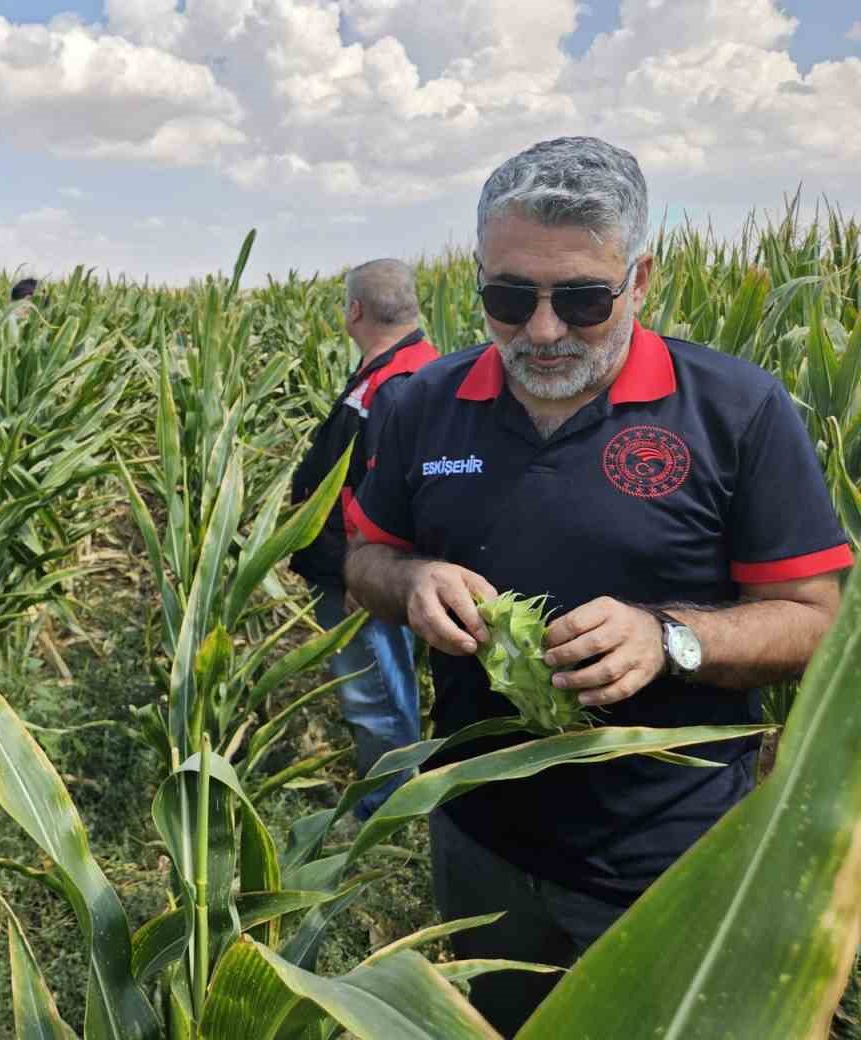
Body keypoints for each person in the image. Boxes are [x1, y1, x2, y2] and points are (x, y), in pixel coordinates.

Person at [344, 136, 850, 1032]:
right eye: (508, 297)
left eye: (580, 299)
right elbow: (366, 560)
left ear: (640, 279)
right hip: (479, 833)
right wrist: (412, 579)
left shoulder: (736, 410)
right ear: (477, 279)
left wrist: (669, 639)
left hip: (669, 852)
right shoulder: (419, 404)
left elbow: (815, 621)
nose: (541, 331)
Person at [289, 259, 438, 818]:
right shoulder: (398, 369)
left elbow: (382, 483)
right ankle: (395, 791)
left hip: (360, 570)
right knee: (384, 676)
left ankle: (387, 806)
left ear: (354, 311)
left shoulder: (397, 383)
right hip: (359, 564)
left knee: (372, 686)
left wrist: (361, 569)